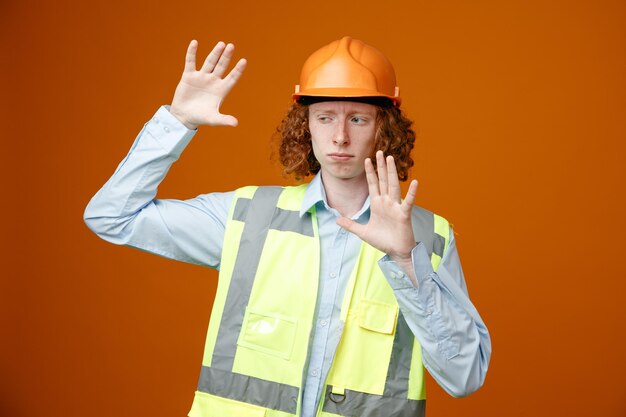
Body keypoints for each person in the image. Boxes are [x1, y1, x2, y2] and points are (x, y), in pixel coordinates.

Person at [84, 36, 491, 417]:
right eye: (325, 117)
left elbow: (464, 377)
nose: (340, 137)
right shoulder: (245, 216)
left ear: (384, 129)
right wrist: (178, 122)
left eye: (359, 120)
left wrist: (406, 261)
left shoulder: (429, 238)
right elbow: (112, 216)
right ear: (306, 126)